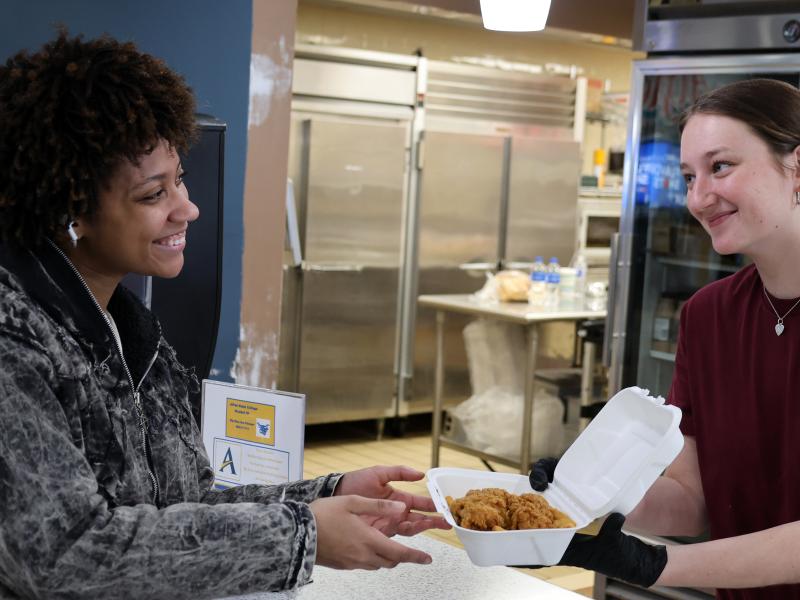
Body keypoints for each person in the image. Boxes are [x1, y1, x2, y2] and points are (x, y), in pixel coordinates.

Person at [0, 32, 448, 600]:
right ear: (70, 212)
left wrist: (327, 498)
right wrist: (303, 536)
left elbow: (181, 505)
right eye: (152, 194)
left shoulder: (131, 336)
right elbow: (65, 555)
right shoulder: (15, 342)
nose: (187, 208)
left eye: (180, 179)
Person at [529, 78, 800, 599]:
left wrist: (655, 565)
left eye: (720, 166)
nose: (698, 197)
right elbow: (693, 497)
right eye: (688, 176)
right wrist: (582, 498)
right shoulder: (709, 316)